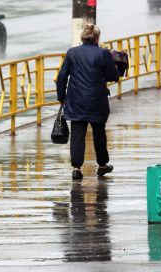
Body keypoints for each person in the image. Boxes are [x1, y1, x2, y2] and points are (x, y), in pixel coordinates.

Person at [56, 23, 121, 180]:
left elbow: (62, 77)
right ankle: (102, 166)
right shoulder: (104, 53)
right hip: (97, 101)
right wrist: (117, 67)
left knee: (77, 135)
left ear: (82, 37)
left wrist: (61, 96)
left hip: (76, 101)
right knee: (99, 134)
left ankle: (77, 168)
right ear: (97, 38)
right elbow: (113, 76)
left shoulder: (72, 53)